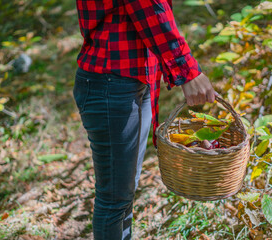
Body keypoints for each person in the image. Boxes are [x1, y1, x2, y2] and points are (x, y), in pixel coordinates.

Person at [73, 0, 215, 239]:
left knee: (125, 193)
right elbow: (149, 6)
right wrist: (187, 70)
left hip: (134, 81)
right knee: (114, 199)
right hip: (111, 82)